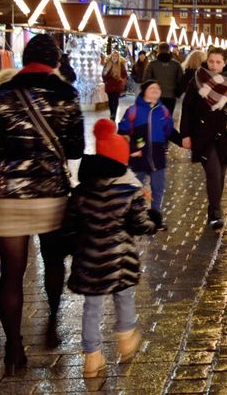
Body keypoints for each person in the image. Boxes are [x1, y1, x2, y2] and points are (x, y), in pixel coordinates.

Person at [0, 32, 84, 374]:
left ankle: (14, 349)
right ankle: (53, 319)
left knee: (12, 274)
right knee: (53, 260)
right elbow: (74, 149)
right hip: (50, 192)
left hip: (8, 192)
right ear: (56, 62)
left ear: (25, 60)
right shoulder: (67, 95)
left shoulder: (2, 94)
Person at [66, 119, 157, 377]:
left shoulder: (82, 191)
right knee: (124, 297)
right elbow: (140, 225)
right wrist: (154, 222)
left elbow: (71, 224)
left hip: (90, 259)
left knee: (92, 307)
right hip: (120, 261)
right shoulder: (130, 192)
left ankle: (92, 357)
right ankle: (126, 338)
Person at [180, 47, 227, 228]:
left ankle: (213, 210)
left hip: (225, 134)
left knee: (221, 175)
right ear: (206, 60)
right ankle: (216, 213)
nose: (214, 65)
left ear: (225, 62)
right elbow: (186, 108)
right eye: (211, 61)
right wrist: (185, 135)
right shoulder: (196, 80)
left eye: (218, 62)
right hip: (203, 134)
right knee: (213, 172)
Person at [117, 81, 181, 221]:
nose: (156, 90)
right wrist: (132, 149)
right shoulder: (133, 111)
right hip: (139, 157)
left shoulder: (163, 111)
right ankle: (132, 217)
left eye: (158, 88)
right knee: (135, 188)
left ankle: (156, 217)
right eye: (152, 88)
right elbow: (122, 132)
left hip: (158, 156)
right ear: (144, 91)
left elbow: (169, 131)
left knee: (158, 189)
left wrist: (184, 142)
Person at [145, 43, 184, 116]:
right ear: (169, 50)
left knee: (156, 117)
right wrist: (178, 93)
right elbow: (181, 80)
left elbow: (147, 80)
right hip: (171, 96)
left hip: (155, 96)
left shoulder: (152, 64)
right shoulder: (176, 64)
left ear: (158, 50)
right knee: (168, 117)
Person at [102, 51, 129, 119]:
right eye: (113, 56)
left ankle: (114, 113)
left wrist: (121, 78)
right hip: (109, 84)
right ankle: (112, 113)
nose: (115, 57)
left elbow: (124, 74)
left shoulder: (121, 64)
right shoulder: (107, 64)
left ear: (118, 57)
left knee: (115, 99)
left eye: (116, 56)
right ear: (111, 56)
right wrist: (106, 80)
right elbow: (103, 73)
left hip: (117, 84)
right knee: (110, 100)